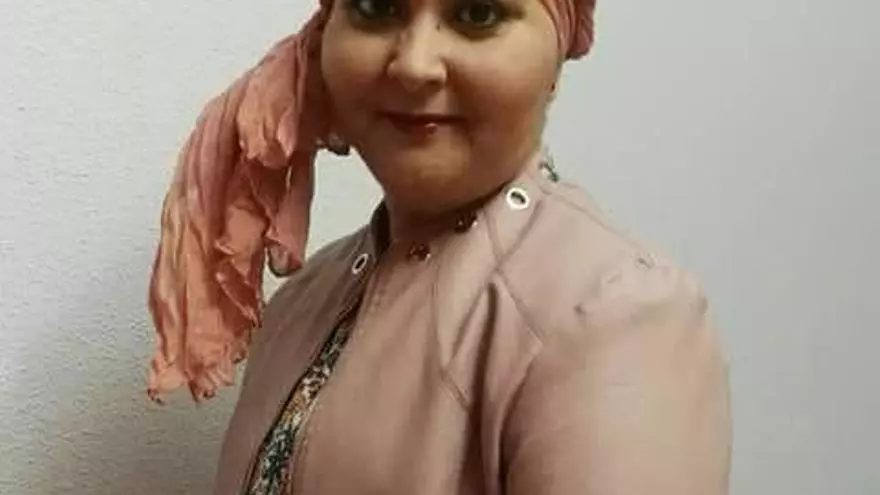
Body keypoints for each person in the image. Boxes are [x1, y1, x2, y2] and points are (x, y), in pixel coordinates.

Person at [146, 0, 732, 493]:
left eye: (478, 14)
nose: (414, 65)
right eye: (375, 7)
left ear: (556, 55)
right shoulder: (302, 302)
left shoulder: (614, 313)